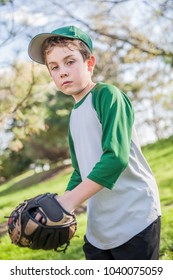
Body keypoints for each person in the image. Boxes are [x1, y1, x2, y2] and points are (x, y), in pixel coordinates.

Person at [28, 25, 161, 260]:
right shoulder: (74, 115)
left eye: (70, 62)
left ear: (89, 63)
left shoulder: (107, 95)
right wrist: (58, 207)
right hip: (100, 225)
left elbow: (115, 158)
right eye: (54, 67)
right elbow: (80, 171)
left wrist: (69, 200)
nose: (63, 72)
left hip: (135, 217)